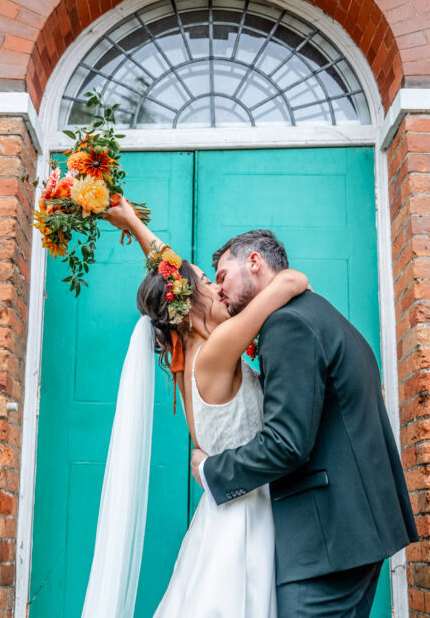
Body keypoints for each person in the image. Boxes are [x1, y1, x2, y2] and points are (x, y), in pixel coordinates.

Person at [191, 229, 419, 618]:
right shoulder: (320, 313)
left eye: (222, 275)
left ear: (254, 262)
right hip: (355, 532)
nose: (219, 289)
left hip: (327, 541)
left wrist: (211, 470)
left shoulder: (288, 325)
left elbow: (286, 443)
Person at [104, 198, 308, 617]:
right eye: (210, 284)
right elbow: (290, 283)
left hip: (222, 510)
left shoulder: (189, 355)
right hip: (245, 519)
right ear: (191, 305)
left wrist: (134, 224)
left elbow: (178, 279)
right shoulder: (216, 350)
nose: (219, 289)